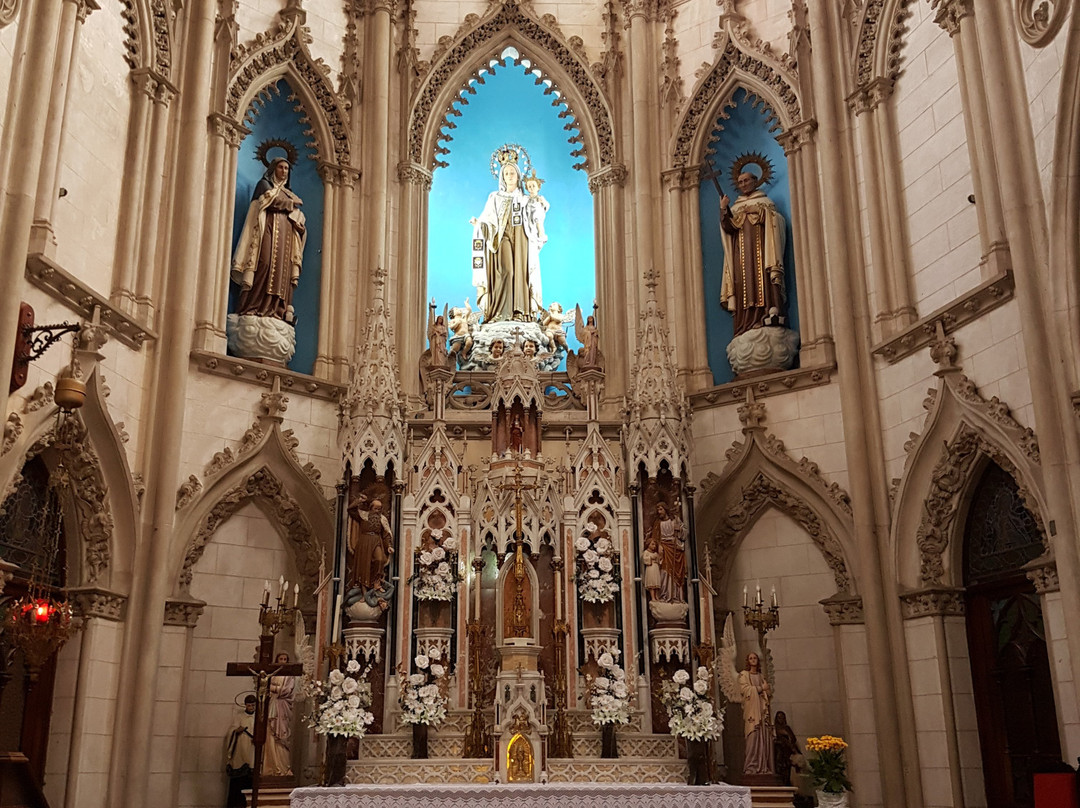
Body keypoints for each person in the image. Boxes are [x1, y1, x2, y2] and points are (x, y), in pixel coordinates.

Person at [470, 155, 545, 322]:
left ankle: (520, 311)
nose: (510, 176)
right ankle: (500, 314)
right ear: (502, 177)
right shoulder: (495, 197)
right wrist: (479, 225)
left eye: (512, 173)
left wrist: (537, 201)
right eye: (506, 174)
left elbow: (536, 214)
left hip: (521, 237)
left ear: (518, 176)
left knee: (520, 272)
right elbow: (487, 218)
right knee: (506, 270)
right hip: (501, 237)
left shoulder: (525, 199)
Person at [231, 157, 307, 322]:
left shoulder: (288, 194)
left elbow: (298, 217)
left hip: (285, 240)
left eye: (287, 169)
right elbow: (270, 201)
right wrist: (291, 203)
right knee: (263, 264)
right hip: (267, 233)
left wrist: (300, 229)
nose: (284, 171)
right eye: (280, 167)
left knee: (282, 274)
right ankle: (251, 306)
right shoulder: (264, 185)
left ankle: (276, 311)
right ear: (273, 169)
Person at [719, 170, 786, 337]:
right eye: (740, 182)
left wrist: (760, 212)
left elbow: (777, 222)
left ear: (755, 181)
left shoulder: (765, 202)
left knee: (764, 283)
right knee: (743, 286)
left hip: (762, 255)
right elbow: (728, 227)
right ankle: (745, 324)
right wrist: (723, 209)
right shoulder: (736, 207)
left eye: (746, 181)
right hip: (741, 258)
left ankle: (767, 317)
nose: (743, 185)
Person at [347, 494, 394, 590]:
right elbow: (350, 510)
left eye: (379, 509)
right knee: (364, 565)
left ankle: (376, 582)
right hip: (365, 541)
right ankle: (364, 588)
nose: (377, 511)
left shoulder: (382, 519)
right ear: (371, 508)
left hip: (376, 540)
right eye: (375, 508)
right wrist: (360, 500)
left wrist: (388, 545)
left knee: (379, 560)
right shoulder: (363, 515)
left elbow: (385, 534)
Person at [739, 651, 775, 775]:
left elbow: (769, 693)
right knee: (752, 738)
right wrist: (760, 689)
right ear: (748, 661)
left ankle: (764, 766)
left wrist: (766, 690)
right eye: (751, 658)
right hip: (752, 714)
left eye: (755, 658)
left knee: (764, 738)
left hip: (762, 711)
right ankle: (751, 766)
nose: (753, 660)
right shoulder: (744, 675)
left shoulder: (761, 676)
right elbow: (745, 690)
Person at [264, 652, 296, 776]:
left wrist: (274, 688)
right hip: (273, 704)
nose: (282, 661)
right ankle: (271, 767)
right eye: (280, 659)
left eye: (285, 659)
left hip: (283, 706)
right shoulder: (272, 674)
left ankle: (283, 768)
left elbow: (288, 691)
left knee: (282, 734)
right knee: (270, 734)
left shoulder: (289, 676)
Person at [648, 502, 686, 603]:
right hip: (664, 549)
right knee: (664, 572)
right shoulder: (658, 523)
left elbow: (685, 532)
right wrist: (659, 545)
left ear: (665, 509)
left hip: (675, 548)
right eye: (658, 510)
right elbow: (655, 538)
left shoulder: (675, 520)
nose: (659, 512)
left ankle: (676, 596)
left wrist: (680, 530)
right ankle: (665, 595)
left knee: (676, 573)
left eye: (661, 509)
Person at [224, 694, 256, 807]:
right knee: (238, 781)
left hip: (252, 749)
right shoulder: (239, 716)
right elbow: (231, 732)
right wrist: (237, 731)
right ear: (245, 705)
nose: (251, 707)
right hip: (240, 748)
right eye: (249, 705)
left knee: (251, 777)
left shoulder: (258, 717)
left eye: (253, 705)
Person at [773, 710, 800, 785]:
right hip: (778, 750)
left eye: (782, 718)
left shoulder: (787, 728)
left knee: (787, 768)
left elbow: (793, 739)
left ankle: (786, 782)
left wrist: (787, 735)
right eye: (779, 718)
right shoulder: (774, 728)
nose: (780, 719)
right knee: (778, 767)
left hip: (786, 751)